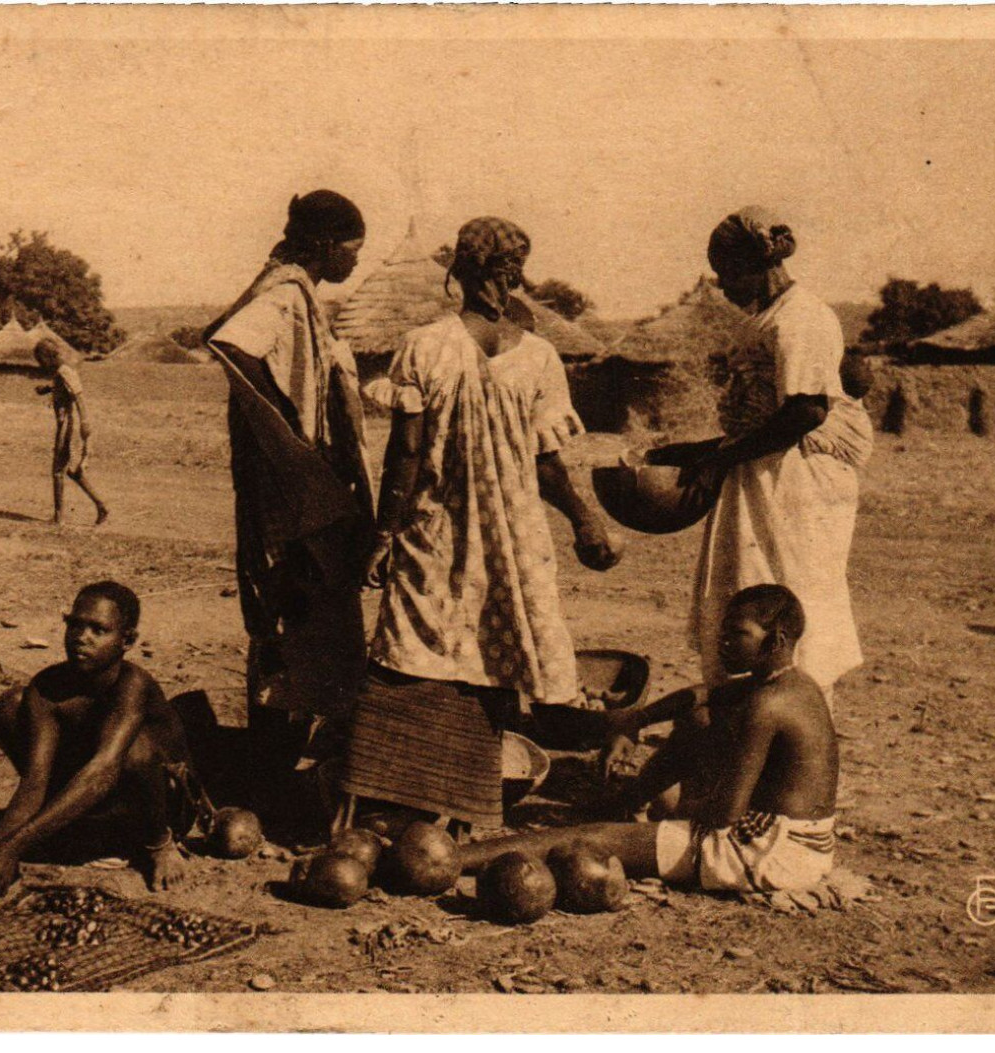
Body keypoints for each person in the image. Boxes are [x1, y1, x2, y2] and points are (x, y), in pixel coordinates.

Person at [336, 216, 622, 835]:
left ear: (456, 274)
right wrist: (585, 523)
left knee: (413, 652)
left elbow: (407, 456)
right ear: (516, 273)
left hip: (436, 534)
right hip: (513, 542)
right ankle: (469, 804)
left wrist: (383, 536)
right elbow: (548, 464)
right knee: (493, 658)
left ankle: (395, 801)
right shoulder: (540, 357)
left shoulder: (425, 345)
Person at [648, 208, 873, 709]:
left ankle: (792, 726)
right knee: (748, 593)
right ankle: (748, 726)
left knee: (786, 596)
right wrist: (695, 453)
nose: (723, 286)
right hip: (766, 475)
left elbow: (806, 411)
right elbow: (762, 422)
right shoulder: (769, 318)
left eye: (727, 273)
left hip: (795, 485)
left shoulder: (801, 318)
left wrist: (719, 460)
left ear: (756, 263)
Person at [489, 584, 839, 895]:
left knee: (595, 838)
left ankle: (459, 857)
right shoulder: (787, 683)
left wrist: (670, 822)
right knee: (694, 720)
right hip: (806, 842)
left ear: (775, 640)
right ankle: (626, 805)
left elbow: (724, 816)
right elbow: (700, 695)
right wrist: (635, 721)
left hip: (769, 852)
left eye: (737, 633)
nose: (723, 642)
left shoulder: (767, 705)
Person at [203, 190, 376, 807]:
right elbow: (230, 343)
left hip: (298, 491)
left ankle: (278, 761)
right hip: (291, 496)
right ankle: (269, 770)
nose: (356, 262)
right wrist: (290, 440)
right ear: (327, 246)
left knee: (306, 620)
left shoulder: (298, 294)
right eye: (352, 251)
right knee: (292, 616)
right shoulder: (283, 295)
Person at [0, 581, 206, 897]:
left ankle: (159, 845)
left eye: (98, 630)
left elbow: (103, 771)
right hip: (97, 793)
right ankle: (78, 829)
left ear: (127, 640)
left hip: (161, 803)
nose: (82, 637)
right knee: (12, 704)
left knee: (135, 751)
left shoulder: (132, 685)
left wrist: (15, 846)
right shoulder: (48, 686)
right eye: (75, 625)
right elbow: (35, 781)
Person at [35, 338, 109, 526]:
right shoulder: (62, 372)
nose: (40, 364)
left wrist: (85, 422)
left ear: (47, 357)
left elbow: (78, 396)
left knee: (58, 471)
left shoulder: (64, 371)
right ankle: (101, 506)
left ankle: (58, 517)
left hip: (69, 423)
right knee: (71, 470)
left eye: (41, 359)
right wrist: (48, 389)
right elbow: (65, 388)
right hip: (68, 423)